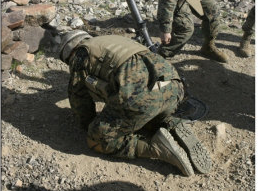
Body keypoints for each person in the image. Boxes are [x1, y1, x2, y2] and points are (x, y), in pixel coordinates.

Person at [60, 30, 212, 177]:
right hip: (174, 86)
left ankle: (155, 147)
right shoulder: (111, 40)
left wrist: (91, 125)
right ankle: (171, 122)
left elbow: (79, 97)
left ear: (69, 52)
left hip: (142, 99)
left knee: (97, 138)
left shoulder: (80, 54)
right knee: (143, 109)